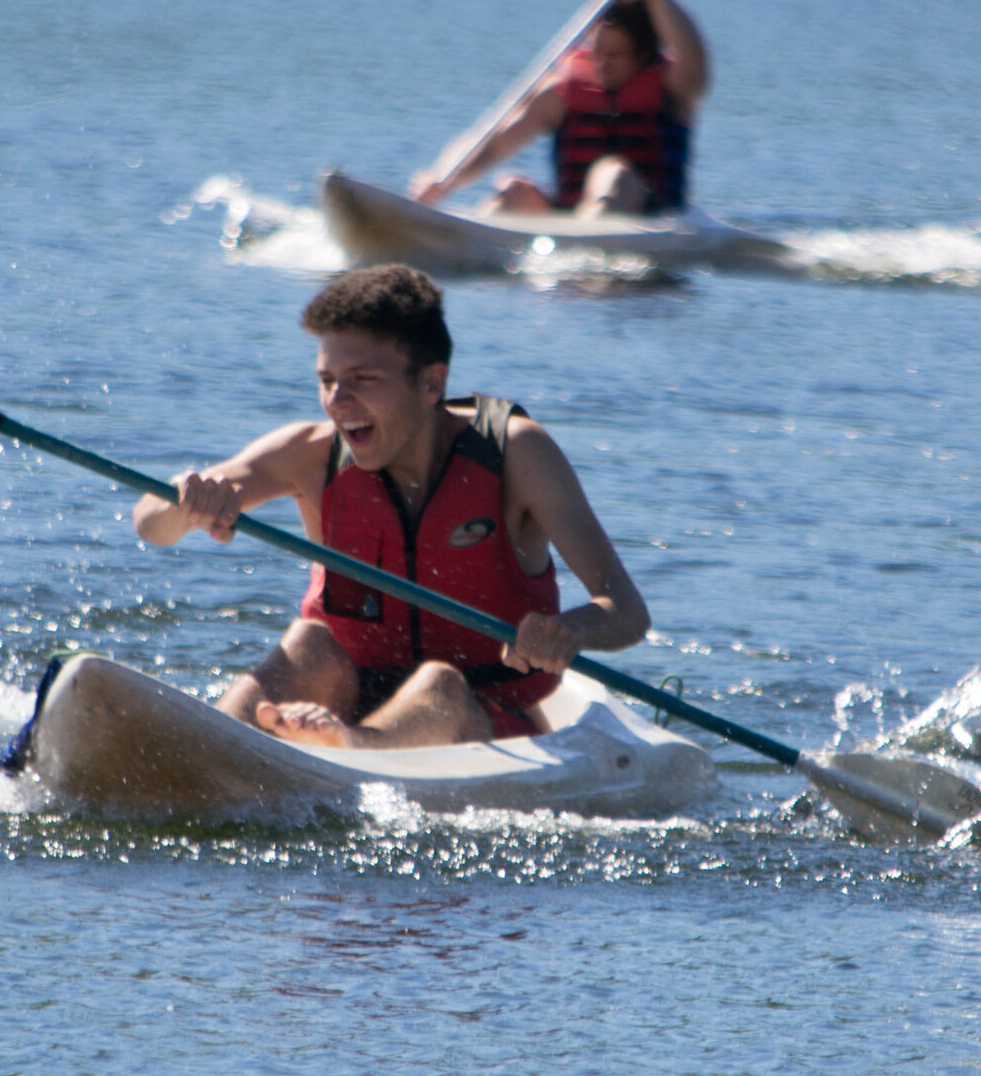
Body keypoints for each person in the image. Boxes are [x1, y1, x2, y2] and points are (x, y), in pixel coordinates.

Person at [132, 264, 649, 749]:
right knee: (310, 643)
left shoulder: (517, 452)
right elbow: (151, 524)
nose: (337, 400)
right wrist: (186, 499)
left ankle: (354, 748)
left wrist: (571, 630)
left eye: (363, 379)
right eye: (327, 380)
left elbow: (626, 609)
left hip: (480, 719)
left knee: (438, 685)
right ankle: (208, 746)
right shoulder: (310, 455)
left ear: (430, 383)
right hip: (344, 699)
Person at [409, 0, 710, 217]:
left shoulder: (675, 87)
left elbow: (692, 52)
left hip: (649, 217)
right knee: (510, 190)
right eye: (598, 53)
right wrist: (442, 178)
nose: (602, 64)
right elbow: (493, 143)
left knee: (613, 175)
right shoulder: (560, 94)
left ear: (644, 56)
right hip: (573, 219)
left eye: (615, 56)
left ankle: (589, 253)